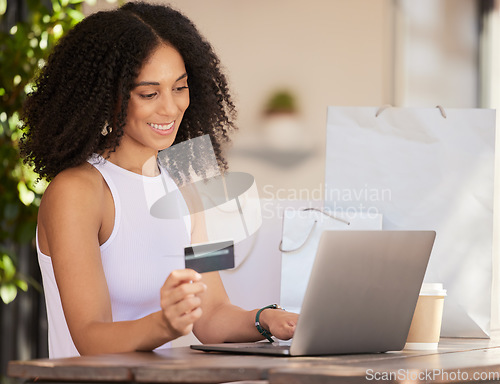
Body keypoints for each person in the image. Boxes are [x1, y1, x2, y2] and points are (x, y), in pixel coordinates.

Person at [20, 1, 298, 358]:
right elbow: (91, 338)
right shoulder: (76, 192)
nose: (170, 108)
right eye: (149, 94)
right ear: (108, 98)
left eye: (179, 87)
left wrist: (268, 320)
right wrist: (164, 324)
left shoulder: (190, 181)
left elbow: (212, 314)